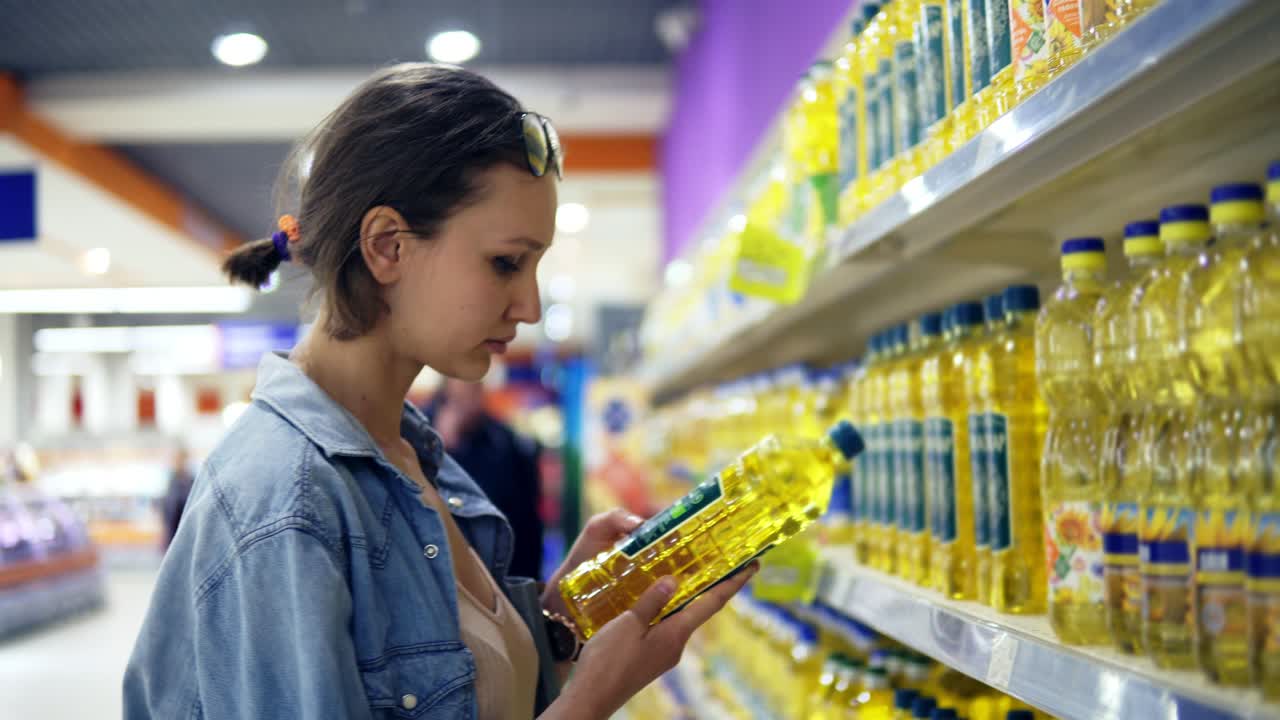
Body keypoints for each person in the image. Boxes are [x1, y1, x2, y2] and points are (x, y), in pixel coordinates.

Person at [123, 63, 755, 720]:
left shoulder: (410, 455)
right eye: (506, 263)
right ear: (388, 247)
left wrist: (562, 621)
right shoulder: (286, 504)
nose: (531, 306)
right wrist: (590, 701)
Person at [430, 378, 544, 580]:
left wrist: (529, 589)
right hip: (441, 573)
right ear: (447, 385)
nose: (472, 390)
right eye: (465, 383)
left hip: (501, 573)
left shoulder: (505, 441)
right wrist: (445, 447)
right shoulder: (418, 434)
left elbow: (528, 523)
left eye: (477, 385)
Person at [159, 447, 194, 551]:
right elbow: (167, 508)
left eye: (181, 459)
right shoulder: (171, 481)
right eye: (177, 459)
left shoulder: (191, 480)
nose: (179, 462)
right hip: (172, 531)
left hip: (187, 531)